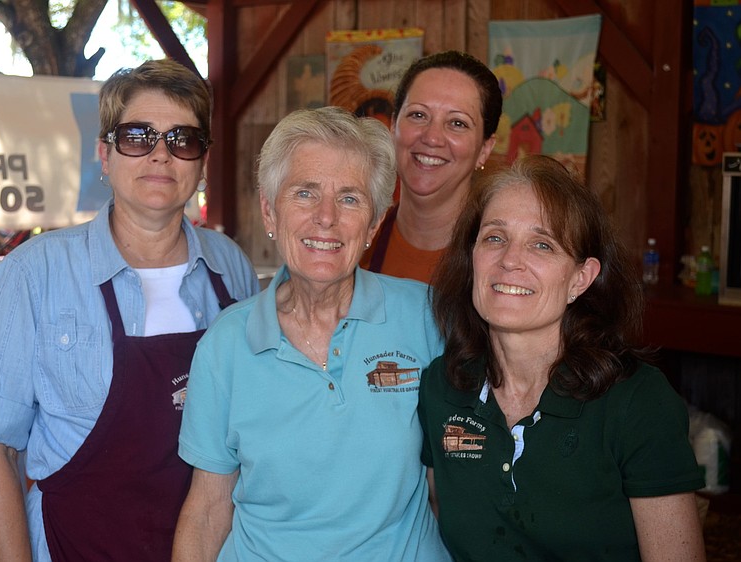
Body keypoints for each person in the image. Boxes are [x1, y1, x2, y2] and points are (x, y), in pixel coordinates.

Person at [0, 59, 260, 561]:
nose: (161, 155)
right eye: (138, 136)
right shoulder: (35, 272)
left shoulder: (231, 267)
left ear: (203, 161)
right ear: (105, 153)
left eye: (182, 139)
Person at [172, 106, 450, 561]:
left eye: (350, 198)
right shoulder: (226, 344)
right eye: (305, 193)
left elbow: (459, 481)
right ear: (269, 210)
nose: (326, 218)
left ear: (374, 224)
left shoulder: (425, 317)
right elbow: (206, 509)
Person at [420, 154, 706, 561]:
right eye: (495, 237)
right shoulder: (442, 387)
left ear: (580, 279)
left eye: (542, 244)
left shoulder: (636, 403)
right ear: (472, 258)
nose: (510, 260)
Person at [361, 50, 502, 283]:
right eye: (418, 115)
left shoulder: (502, 261)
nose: (432, 137)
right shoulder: (356, 243)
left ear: (485, 149)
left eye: (457, 123)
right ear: (393, 126)